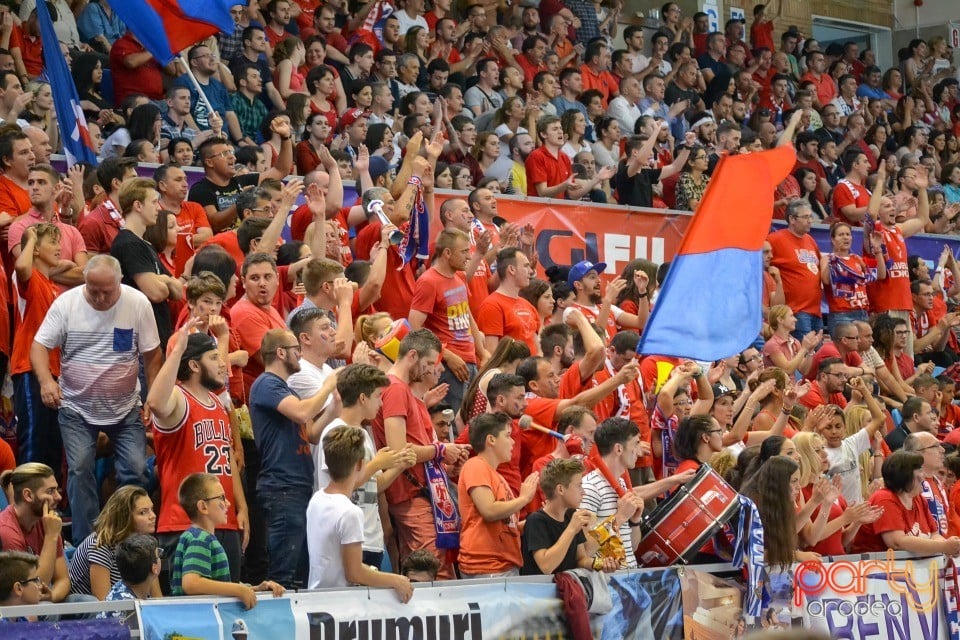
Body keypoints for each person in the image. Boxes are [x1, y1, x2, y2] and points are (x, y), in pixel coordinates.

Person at [31, 255, 159, 546]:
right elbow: (39, 346)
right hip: (76, 407)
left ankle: (131, 542)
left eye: (107, 291)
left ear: (120, 283)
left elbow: (153, 355)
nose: (100, 297)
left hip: (125, 407)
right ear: (84, 282)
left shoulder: (137, 303)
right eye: (93, 290)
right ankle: (87, 544)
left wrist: (152, 396)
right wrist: (46, 381)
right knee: (79, 469)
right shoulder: (67, 304)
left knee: (136, 469)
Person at [148, 324, 249, 590]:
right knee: (191, 609)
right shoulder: (178, 399)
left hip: (222, 520)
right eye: (214, 357)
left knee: (226, 609)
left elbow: (226, 461)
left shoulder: (218, 404)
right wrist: (177, 349)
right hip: (184, 523)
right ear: (193, 365)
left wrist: (241, 506)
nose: (222, 364)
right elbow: (156, 403)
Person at [372, 329, 470, 580]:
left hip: (422, 492)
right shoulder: (395, 389)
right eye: (427, 363)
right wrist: (441, 450)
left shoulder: (405, 391)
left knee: (431, 570)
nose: (429, 370)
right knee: (433, 572)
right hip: (411, 494)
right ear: (412, 355)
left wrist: (448, 463)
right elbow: (398, 451)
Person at [249, 328, 340, 588]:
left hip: (296, 486)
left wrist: (333, 408)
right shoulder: (267, 383)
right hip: (282, 486)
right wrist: (328, 384)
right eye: (295, 350)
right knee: (283, 572)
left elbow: (310, 432)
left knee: (297, 568)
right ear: (280, 352)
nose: (299, 355)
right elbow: (302, 414)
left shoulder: (285, 389)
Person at [306, 426, 413, 602]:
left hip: (318, 597)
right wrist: (396, 579)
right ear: (360, 464)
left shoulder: (317, 500)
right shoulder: (350, 513)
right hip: (342, 604)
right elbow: (354, 573)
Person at [170, 473, 284, 607]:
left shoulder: (200, 537)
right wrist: (238, 590)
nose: (228, 503)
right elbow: (191, 584)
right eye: (222, 498)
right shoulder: (199, 539)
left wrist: (254, 589)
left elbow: (217, 586)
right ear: (203, 507)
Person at [409, 228, 489, 413]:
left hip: (468, 361)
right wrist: (446, 355)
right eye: (463, 252)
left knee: (469, 420)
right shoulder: (428, 281)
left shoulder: (459, 277)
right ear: (447, 253)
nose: (468, 257)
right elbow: (414, 327)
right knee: (451, 423)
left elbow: (467, 316)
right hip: (448, 366)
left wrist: (482, 352)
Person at [458, 412, 539, 578]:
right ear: (491, 440)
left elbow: (507, 524)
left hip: (502, 565)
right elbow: (489, 511)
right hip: (487, 566)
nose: (513, 441)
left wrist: (541, 519)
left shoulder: (497, 476)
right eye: (508, 436)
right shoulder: (476, 465)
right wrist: (524, 499)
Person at [111, 178, 183, 351]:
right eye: (153, 202)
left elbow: (178, 291)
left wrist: (161, 279)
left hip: (153, 337)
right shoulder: (128, 243)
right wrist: (166, 281)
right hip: (137, 341)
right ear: (138, 206)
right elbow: (157, 293)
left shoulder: (146, 245)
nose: (159, 207)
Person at [851, 451, 960, 555]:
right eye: (920, 471)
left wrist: (951, 547)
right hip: (872, 569)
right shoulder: (884, 499)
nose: (923, 477)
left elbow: (934, 535)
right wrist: (944, 547)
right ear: (906, 475)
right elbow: (896, 542)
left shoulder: (918, 498)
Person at [522, 457, 612, 576]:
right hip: (540, 592)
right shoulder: (536, 521)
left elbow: (581, 559)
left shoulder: (571, 515)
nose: (583, 492)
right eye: (578, 485)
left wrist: (600, 564)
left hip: (567, 589)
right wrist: (571, 529)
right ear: (560, 489)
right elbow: (546, 566)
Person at [67, 484, 158, 600]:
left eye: (152, 510)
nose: (153, 516)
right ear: (125, 517)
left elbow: (156, 598)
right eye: (143, 512)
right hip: (89, 612)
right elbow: (105, 603)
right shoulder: (100, 544)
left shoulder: (147, 545)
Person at [0, 463, 70, 603]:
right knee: (47, 609)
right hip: (16, 606)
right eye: (50, 491)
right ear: (28, 495)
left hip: (41, 598)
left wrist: (52, 596)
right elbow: (32, 589)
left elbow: (63, 579)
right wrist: (51, 536)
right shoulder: (6, 531)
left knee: (84, 601)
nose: (58, 497)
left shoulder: (47, 522)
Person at [98, 534, 162, 613]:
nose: (160, 557)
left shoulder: (119, 587)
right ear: (154, 568)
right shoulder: (130, 611)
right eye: (158, 554)